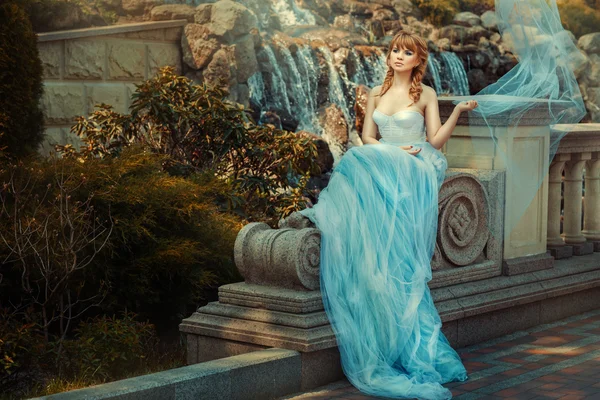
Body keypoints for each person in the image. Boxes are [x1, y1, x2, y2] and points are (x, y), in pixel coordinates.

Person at [299, 30, 477, 400]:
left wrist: (457, 111)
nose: (398, 56)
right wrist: (389, 152)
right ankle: (336, 216)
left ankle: (408, 345)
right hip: (385, 163)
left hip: (414, 169)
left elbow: (435, 141)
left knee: (397, 254)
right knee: (357, 157)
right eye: (395, 49)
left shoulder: (425, 94)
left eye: (406, 52)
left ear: (417, 60)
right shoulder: (374, 93)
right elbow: (367, 137)